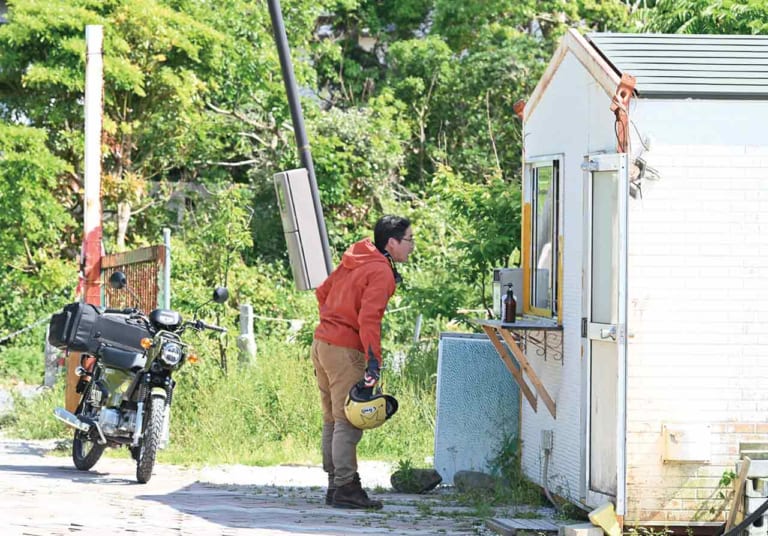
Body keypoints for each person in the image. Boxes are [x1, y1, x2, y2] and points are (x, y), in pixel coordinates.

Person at [311, 215, 414, 510]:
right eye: (409, 240)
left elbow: (322, 293)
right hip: (345, 349)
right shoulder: (380, 271)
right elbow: (369, 319)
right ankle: (346, 488)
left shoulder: (357, 257)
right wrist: (372, 362)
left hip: (322, 344)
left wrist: (332, 322)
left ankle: (335, 486)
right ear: (392, 242)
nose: (411, 247)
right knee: (348, 421)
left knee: (332, 418)